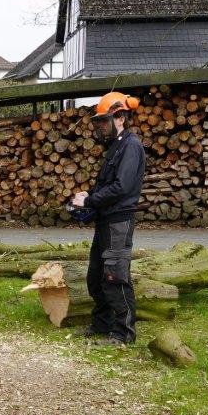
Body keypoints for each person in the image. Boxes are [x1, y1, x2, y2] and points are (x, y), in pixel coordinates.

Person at [72, 91, 146, 345]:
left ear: (120, 118)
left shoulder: (131, 146)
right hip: (106, 219)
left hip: (118, 221)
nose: (100, 126)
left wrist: (90, 200)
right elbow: (108, 184)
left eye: (104, 121)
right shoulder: (116, 147)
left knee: (115, 276)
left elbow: (122, 187)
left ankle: (124, 333)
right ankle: (102, 324)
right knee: (96, 276)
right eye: (99, 122)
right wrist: (89, 194)